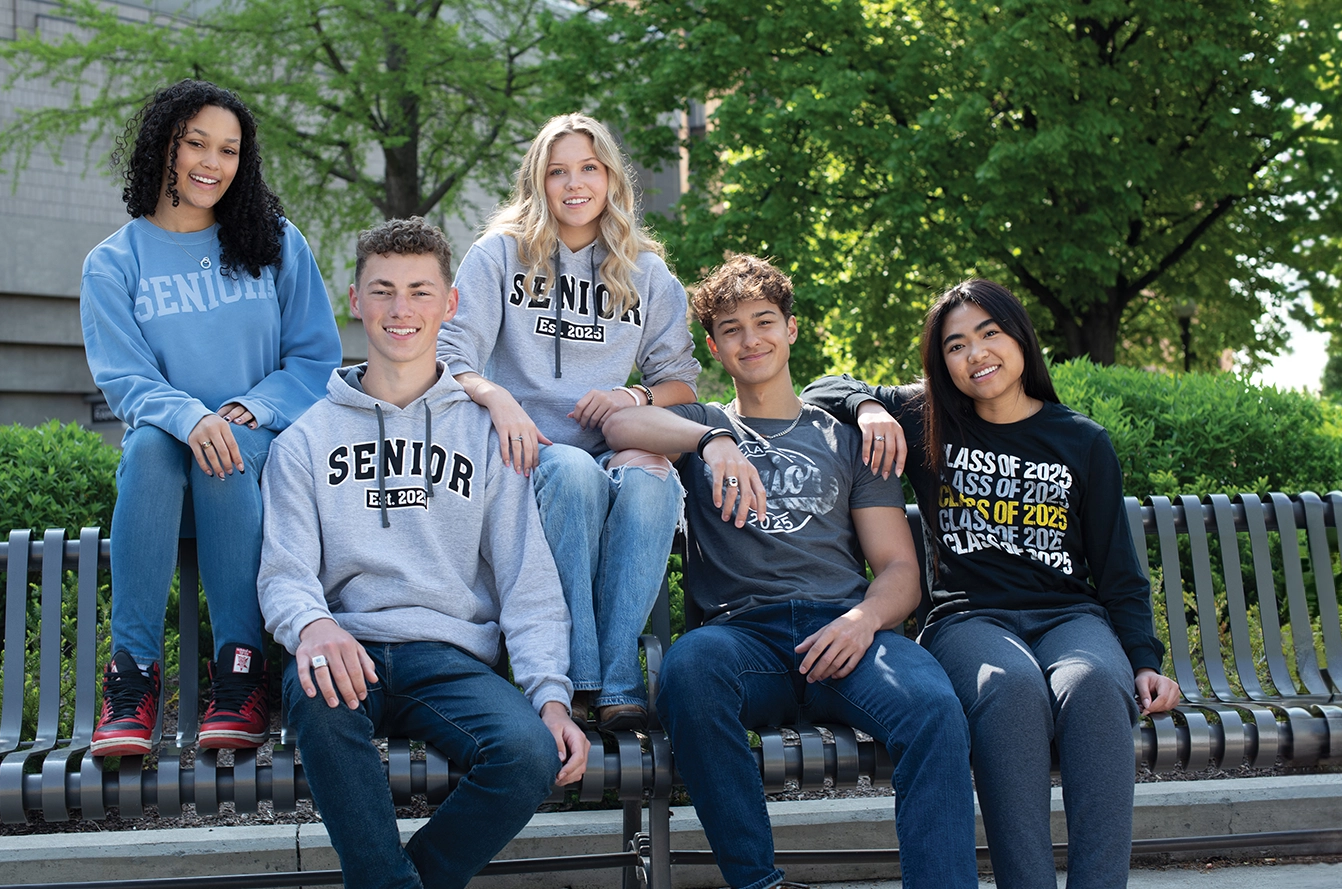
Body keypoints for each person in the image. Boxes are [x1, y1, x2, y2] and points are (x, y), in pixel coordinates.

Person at [602, 256, 978, 889]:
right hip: (744, 638)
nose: (751, 340)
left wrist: (862, 622)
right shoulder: (701, 425)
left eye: (765, 321)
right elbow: (617, 423)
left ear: (792, 329)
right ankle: (760, 884)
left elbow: (898, 570)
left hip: (847, 632)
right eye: (731, 329)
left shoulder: (847, 438)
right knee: (689, 673)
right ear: (715, 346)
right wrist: (712, 442)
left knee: (936, 710)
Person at [802, 279, 1183, 889]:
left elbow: (1118, 572)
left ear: (1020, 339)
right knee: (1007, 690)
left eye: (990, 334)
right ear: (941, 363)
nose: (976, 354)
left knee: (1092, 686)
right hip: (967, 620)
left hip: (1068, 618)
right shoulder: (929, 422)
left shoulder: (1082, 440)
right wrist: (873, 406)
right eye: (955, 346)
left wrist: (1142, 660)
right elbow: (819, 389)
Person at [258, 217, 589, 889]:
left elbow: (526, 576)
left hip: (447, 657)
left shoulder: (487, 434)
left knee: (528, 753)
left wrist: (550, 697)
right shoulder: (304, 441)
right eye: (382, 291)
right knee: (317, 702)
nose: (400, 310)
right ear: (355, 299)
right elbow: (285, 575)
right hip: (344, 648)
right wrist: (313, 624)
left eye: (418, 291)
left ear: (449, 303)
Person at [81, 79, 341, 757]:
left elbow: (315, 358)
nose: (211, 162)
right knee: (147, 449)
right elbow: (124, 376)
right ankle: (131, 677)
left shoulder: (274, 242)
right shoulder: (114, 263)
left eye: (228, 150)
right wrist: (190, 416)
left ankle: (241, 671)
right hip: (164, 462)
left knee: (221, 453)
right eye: (196, 142)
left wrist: (251, 407)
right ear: (163, 146)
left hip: (258, 449)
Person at [436, 112, 702, 730]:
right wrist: (499, 399)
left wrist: (633, 398)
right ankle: (598, 677)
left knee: (651, 482)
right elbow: (451, 359)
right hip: (528, 453)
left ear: (610, 177)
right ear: (539, 181)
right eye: (558, 171)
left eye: (589, 168)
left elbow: (682, 383)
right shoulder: (499, 255)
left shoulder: (646, 271)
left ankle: (613, 673)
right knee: (576, 472)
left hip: (616, 445)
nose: (574, 183)